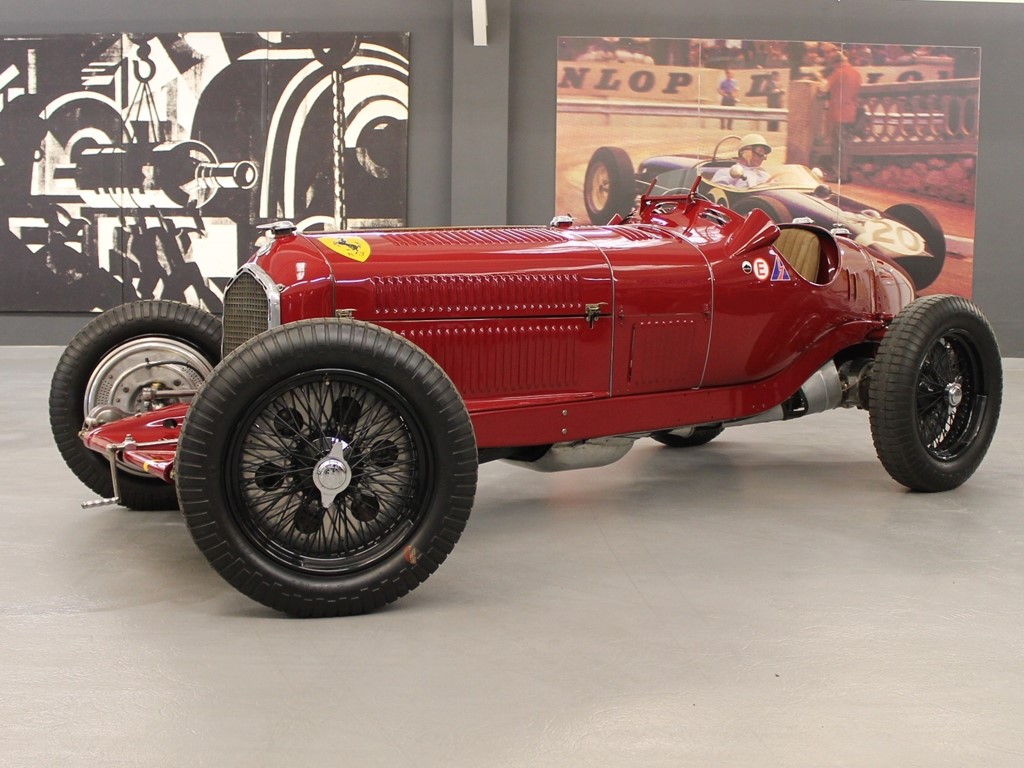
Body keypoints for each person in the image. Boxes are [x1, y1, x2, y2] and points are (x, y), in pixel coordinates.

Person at [821, 52, 863, 180]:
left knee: (838, 146)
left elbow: (823, 88)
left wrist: (820, 78)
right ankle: (845, 173)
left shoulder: (838, 72)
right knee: (847, 145)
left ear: (836, 63)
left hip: (838, 113)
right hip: (851, 112)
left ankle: (839, 175)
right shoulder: (856, 73)